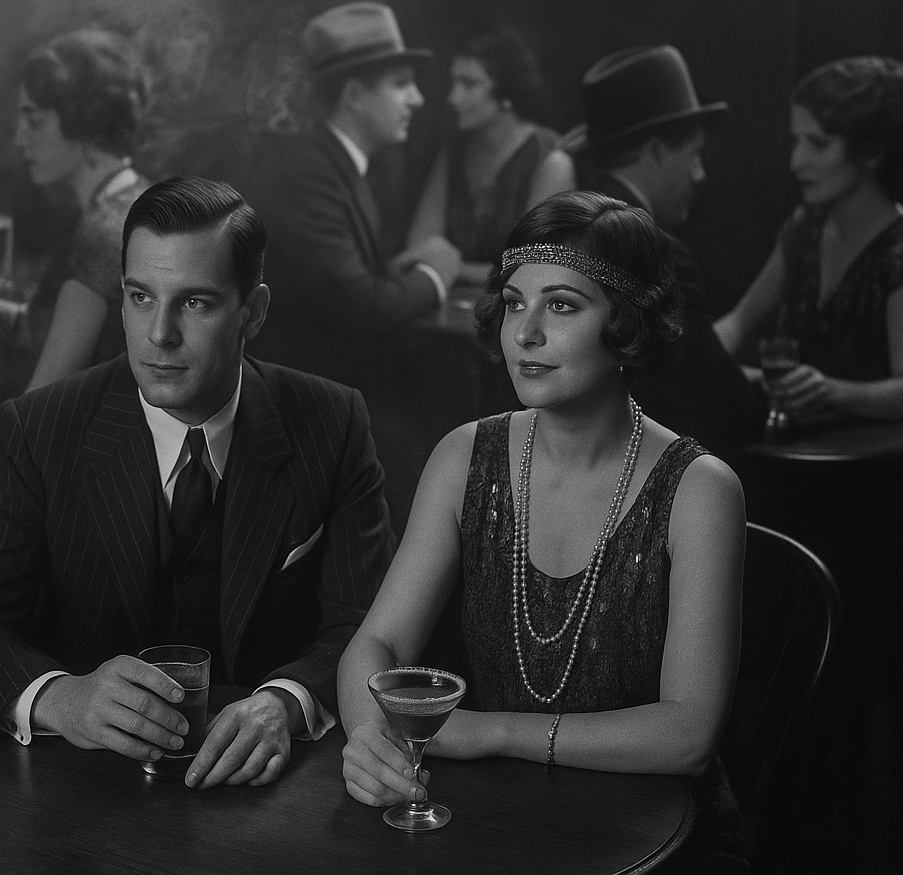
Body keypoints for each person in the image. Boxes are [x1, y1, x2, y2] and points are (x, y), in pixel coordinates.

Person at [0, 177, 392, 789]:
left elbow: (365, 626)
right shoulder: (41, 429)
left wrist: (283, 701)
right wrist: (61, 698)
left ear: (253, 312)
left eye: (194, 303)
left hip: (271, 791)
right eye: (140, 297)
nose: (158, 334)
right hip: (83, 791)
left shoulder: (333, 422)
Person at [338, 191, 746, 870]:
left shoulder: (700, 490)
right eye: (514, 302)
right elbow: (375, 644)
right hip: (498, 818)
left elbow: (688, 734)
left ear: (628, 325)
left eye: (561, 305)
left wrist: (489, 731)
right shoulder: (465, 455)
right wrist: (369, 740)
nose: (524, 334)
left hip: (656, 841)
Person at [0, 29, 150, 473]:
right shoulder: (136, 200)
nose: (18, 138)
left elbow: (39, 422)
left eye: (34, 120)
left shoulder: (102, 234)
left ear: (83, 123)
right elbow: (86, 343)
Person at [247, 1, 460, 386]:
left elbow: (338, 288)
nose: (418, 98)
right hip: (298, 399)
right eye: (401, 84)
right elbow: (363, 313)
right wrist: (436, 272)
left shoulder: (339, 165)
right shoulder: (308, 176)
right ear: (356, 96)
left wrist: (389, 273)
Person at [567, 45, 759, 456]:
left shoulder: (563, 229)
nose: (700, 173)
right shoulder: (656, 254)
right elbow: (731, 410)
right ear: (656, 151)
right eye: (693, 154)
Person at [715, 56, 903, 421]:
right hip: (797, 449)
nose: (797, 162)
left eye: (818, 144)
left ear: (872, 153)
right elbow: (740, 322)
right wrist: (690, 354)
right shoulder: (805, 227)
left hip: (872, 462)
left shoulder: (897, 253)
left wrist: (834, 392)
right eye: (796, 141)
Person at [407, 27, 574, 283]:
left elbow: (535, 269)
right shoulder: (454, 153)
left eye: (469, 84)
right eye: (454, 82)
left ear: (506, 92)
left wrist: (451, 269)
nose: (453, 97)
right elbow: (420, 244)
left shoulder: (550, 162)